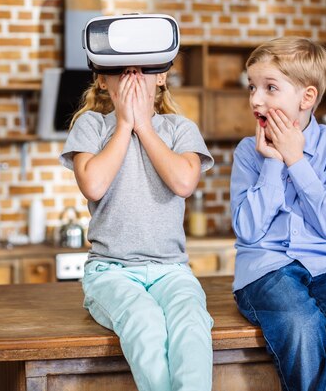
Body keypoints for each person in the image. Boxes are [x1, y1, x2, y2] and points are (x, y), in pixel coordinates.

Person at [230, 36, 326, 391]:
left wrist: (296, 161)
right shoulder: (248, 152)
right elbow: (248, 231)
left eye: (270, 87)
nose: (255, 98)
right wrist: (272, 162)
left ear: (307, 97)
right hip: (265, 270)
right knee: (300, 325)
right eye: (252, 87)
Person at [59, 62, 215, 390]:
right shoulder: (91, 126)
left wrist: (144, 126)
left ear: (161, 77)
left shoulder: (179, 128)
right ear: (102, 80)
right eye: (120, 70)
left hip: (172, 271)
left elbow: (184, 182)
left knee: (192, 327)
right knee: (145, 323)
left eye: (143, 69)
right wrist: (125, 123)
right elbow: (94, 184)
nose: (132, 78)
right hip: (111, 273)